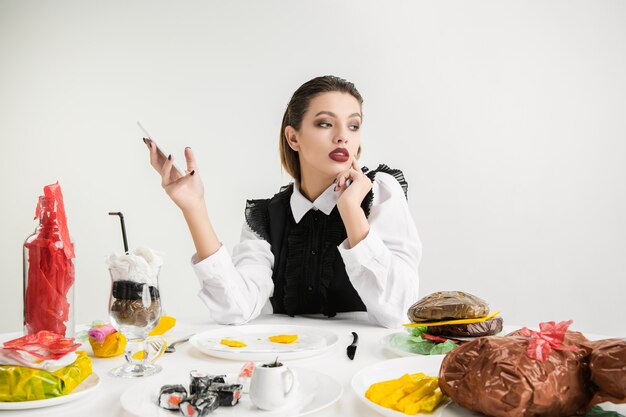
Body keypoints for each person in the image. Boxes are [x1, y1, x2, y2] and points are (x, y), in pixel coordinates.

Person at [144, 75, 421, 328]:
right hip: (285, 362)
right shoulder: (267, 216)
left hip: (364, 364)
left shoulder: (379, 191)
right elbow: (236, 309)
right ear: (293, 137)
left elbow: (399, 311)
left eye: (353, 125)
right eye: (325, 123)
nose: (342, 136)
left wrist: (350, 210)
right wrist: (194, 207)